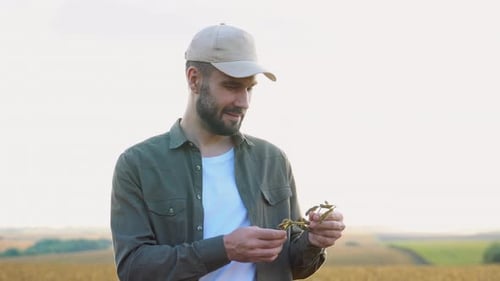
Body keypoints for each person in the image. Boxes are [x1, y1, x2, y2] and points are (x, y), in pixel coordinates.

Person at [110, 23, 345, 281]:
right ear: (194, 79)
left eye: (250, 88)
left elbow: (293, 266)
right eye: (232, 86)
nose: (244, 101)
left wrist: (313, 240)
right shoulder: (138, 164)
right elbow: (133, 269)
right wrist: (224, 249)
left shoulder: (273, 161)